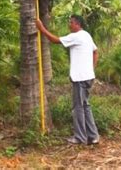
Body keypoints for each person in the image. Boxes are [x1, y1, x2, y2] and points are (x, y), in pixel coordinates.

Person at [36, 15, 99, 145]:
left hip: (80, 79)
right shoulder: (86, 35)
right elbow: (95, 51)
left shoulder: (76, 36)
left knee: (78, 108)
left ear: (77, 24)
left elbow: (55, 40)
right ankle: (93, 136)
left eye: (71, 23)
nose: (69, 25)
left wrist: (41, 28)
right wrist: (91, 69)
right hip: (88, 77)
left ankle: (80, 137)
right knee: (86, 106)